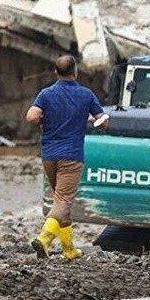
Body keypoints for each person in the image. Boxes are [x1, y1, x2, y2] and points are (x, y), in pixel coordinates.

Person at [27, 55, 106, 260]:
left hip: (49, 156)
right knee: (63, 200)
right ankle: (44, 239)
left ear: (56, 72)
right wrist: (94, 120)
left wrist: (47, 119)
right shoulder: (86, 95)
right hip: (71, 156)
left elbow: (32, 117)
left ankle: (69, 249)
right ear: (76, 71)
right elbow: (102, 121)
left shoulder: (46, 94)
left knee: (61, 201)